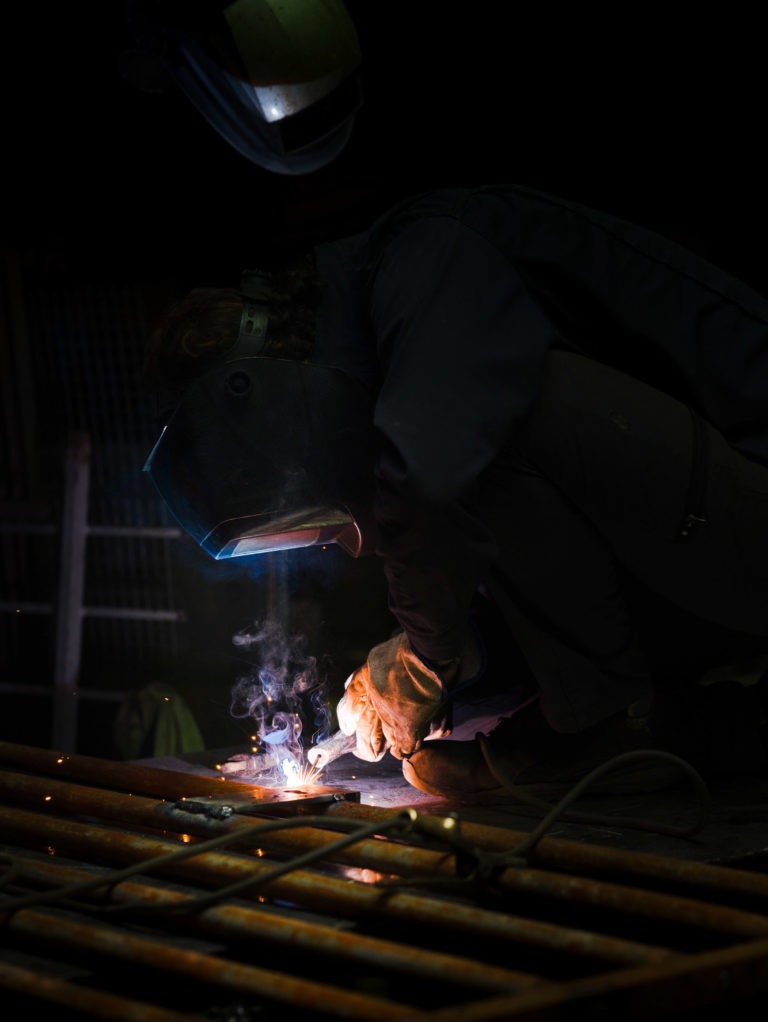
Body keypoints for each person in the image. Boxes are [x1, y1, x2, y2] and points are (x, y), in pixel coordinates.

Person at [142, 183, 768, 802]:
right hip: (693, 552)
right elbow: (545, 553)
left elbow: (430, 479)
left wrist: (424, 654)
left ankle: (608, 722)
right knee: (459, 543)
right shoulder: (388, 352)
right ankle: (675, 725)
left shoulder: (429, 259)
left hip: (749, 481)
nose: (340, 545)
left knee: (494, 433)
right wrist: (461, 662)